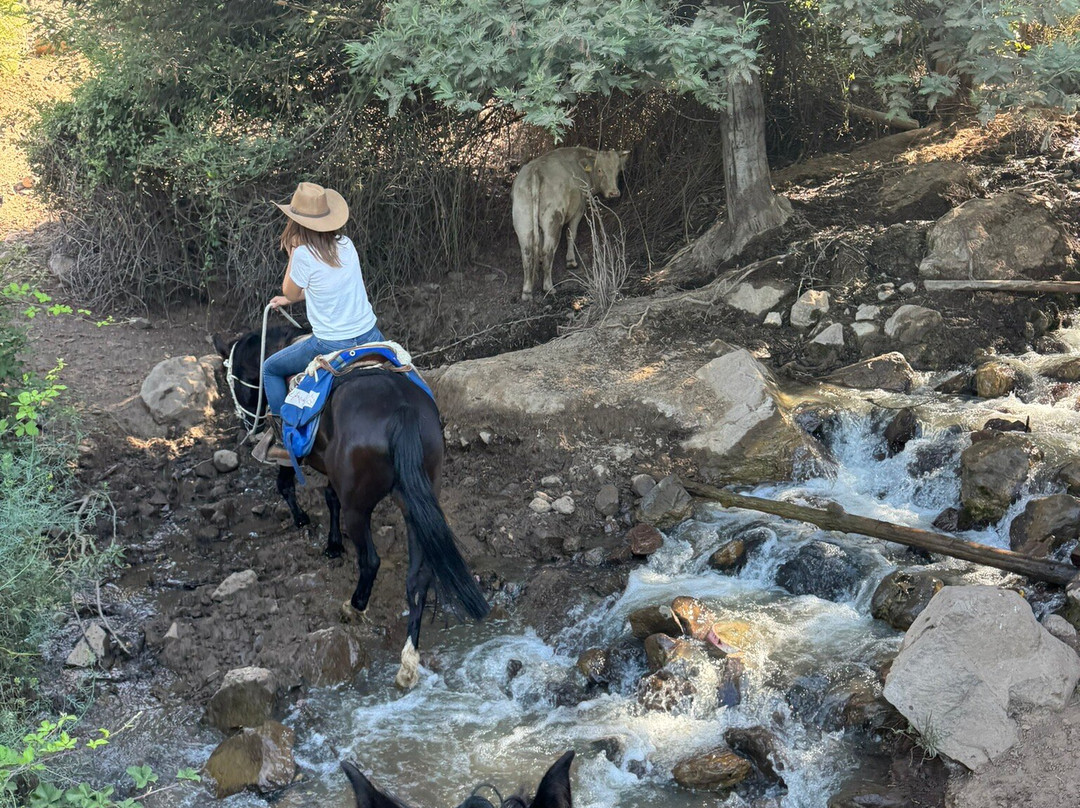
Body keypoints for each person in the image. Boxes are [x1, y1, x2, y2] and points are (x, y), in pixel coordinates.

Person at [254, 181, 385, 462]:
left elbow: (290, 289)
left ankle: (284, 438)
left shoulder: (302, 254)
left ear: (297, 223)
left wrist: (292, 253)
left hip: (331, 342)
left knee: (271, 369)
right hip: (370, 335)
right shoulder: (345, 245)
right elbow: (329, 287)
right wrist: (290, 300)